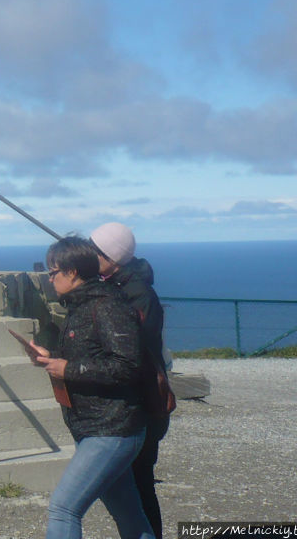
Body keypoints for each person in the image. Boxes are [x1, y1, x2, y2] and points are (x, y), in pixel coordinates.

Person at [28, 236, 155, 539]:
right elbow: (93, 358)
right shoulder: (82, 305)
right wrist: (52, 360)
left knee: (63, 508)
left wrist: (69, 369)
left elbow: (128, 366)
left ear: (72, 272)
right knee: (128, 514)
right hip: (97, 427)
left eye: (53, 272)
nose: (50, 279)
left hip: (112, 428)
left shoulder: (106, 306)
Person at [91, 222, 172, 538]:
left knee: (140, 484)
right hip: (132, 402)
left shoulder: (138, 294)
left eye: (95, 251)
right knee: (132, 486)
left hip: (142, 403)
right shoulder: (121, 287)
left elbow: (134, 349)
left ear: (112, 257)